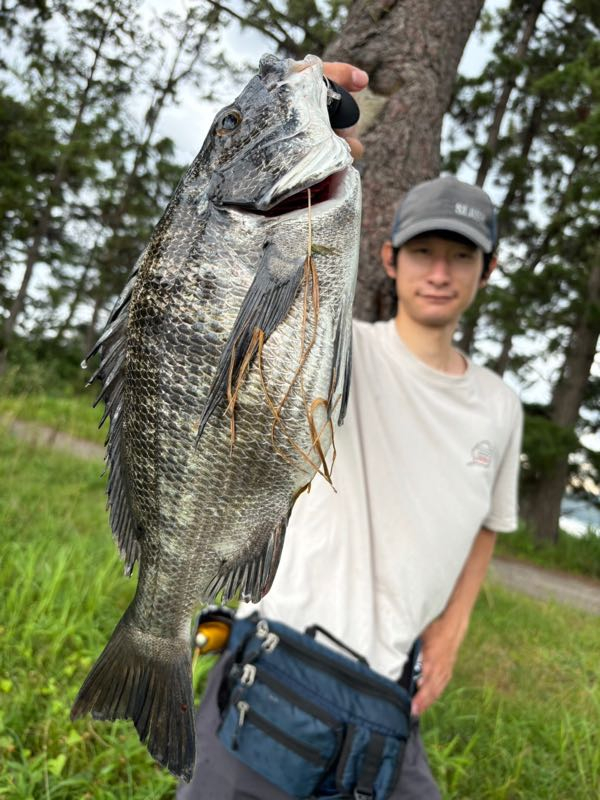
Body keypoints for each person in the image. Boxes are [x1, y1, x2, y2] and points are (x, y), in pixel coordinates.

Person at [178, 70, 523, 800]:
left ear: (485, 271)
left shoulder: (501, 407)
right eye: (423, 251)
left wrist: (453, 628)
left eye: (460, 255)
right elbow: (242, 290)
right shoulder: (340, 345)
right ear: (389, 259)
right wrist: (289, 126)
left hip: (391, 690)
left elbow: (490, 522)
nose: (439, 271)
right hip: (278, 658)